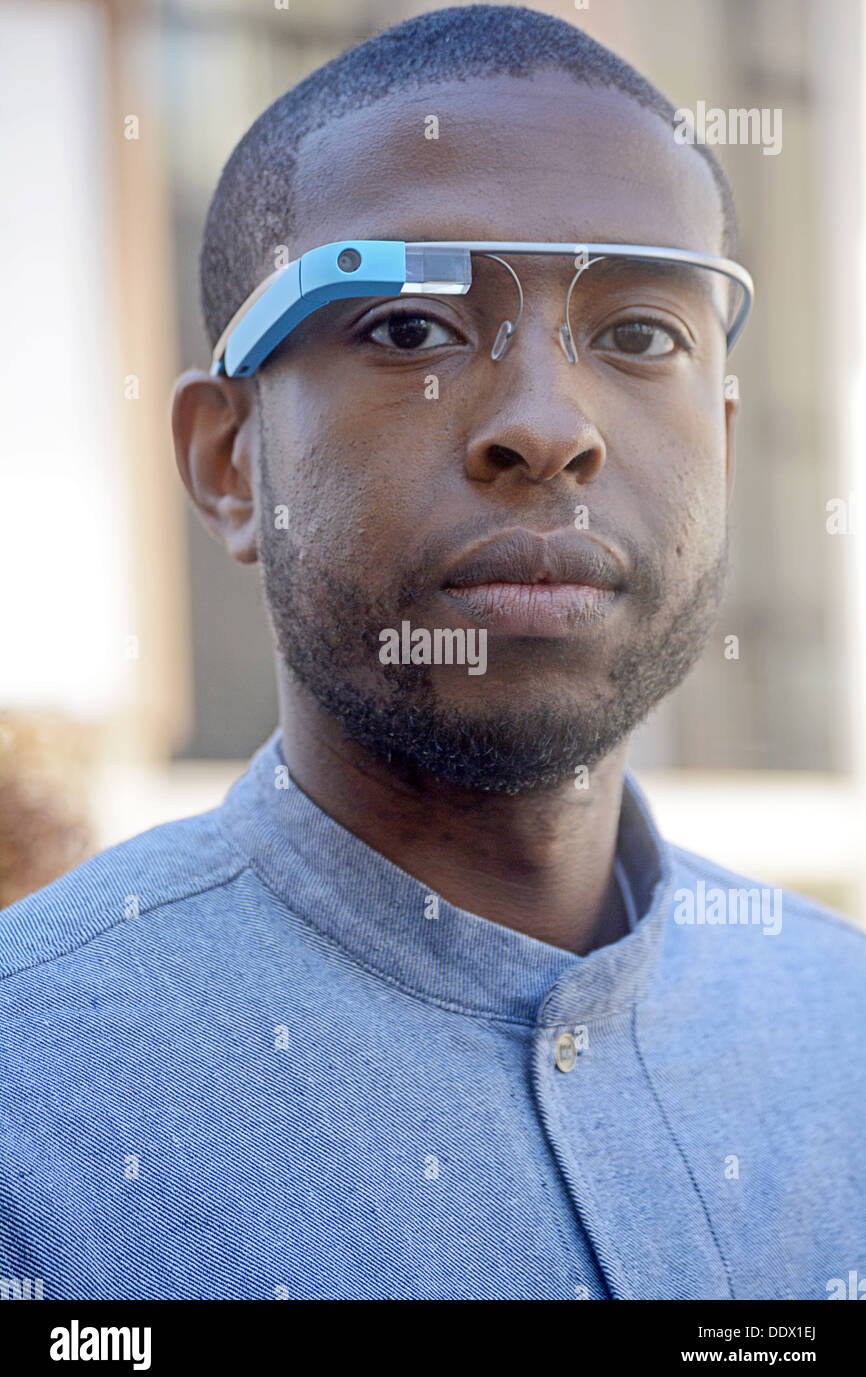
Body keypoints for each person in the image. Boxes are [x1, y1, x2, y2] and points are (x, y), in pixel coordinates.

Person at [1, 4, 863, 1302]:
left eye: (638, 336)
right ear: (231, 464)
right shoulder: (31, 1101)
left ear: (726, 447)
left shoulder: (839, 1027)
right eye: (409, 328)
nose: (546, 428)